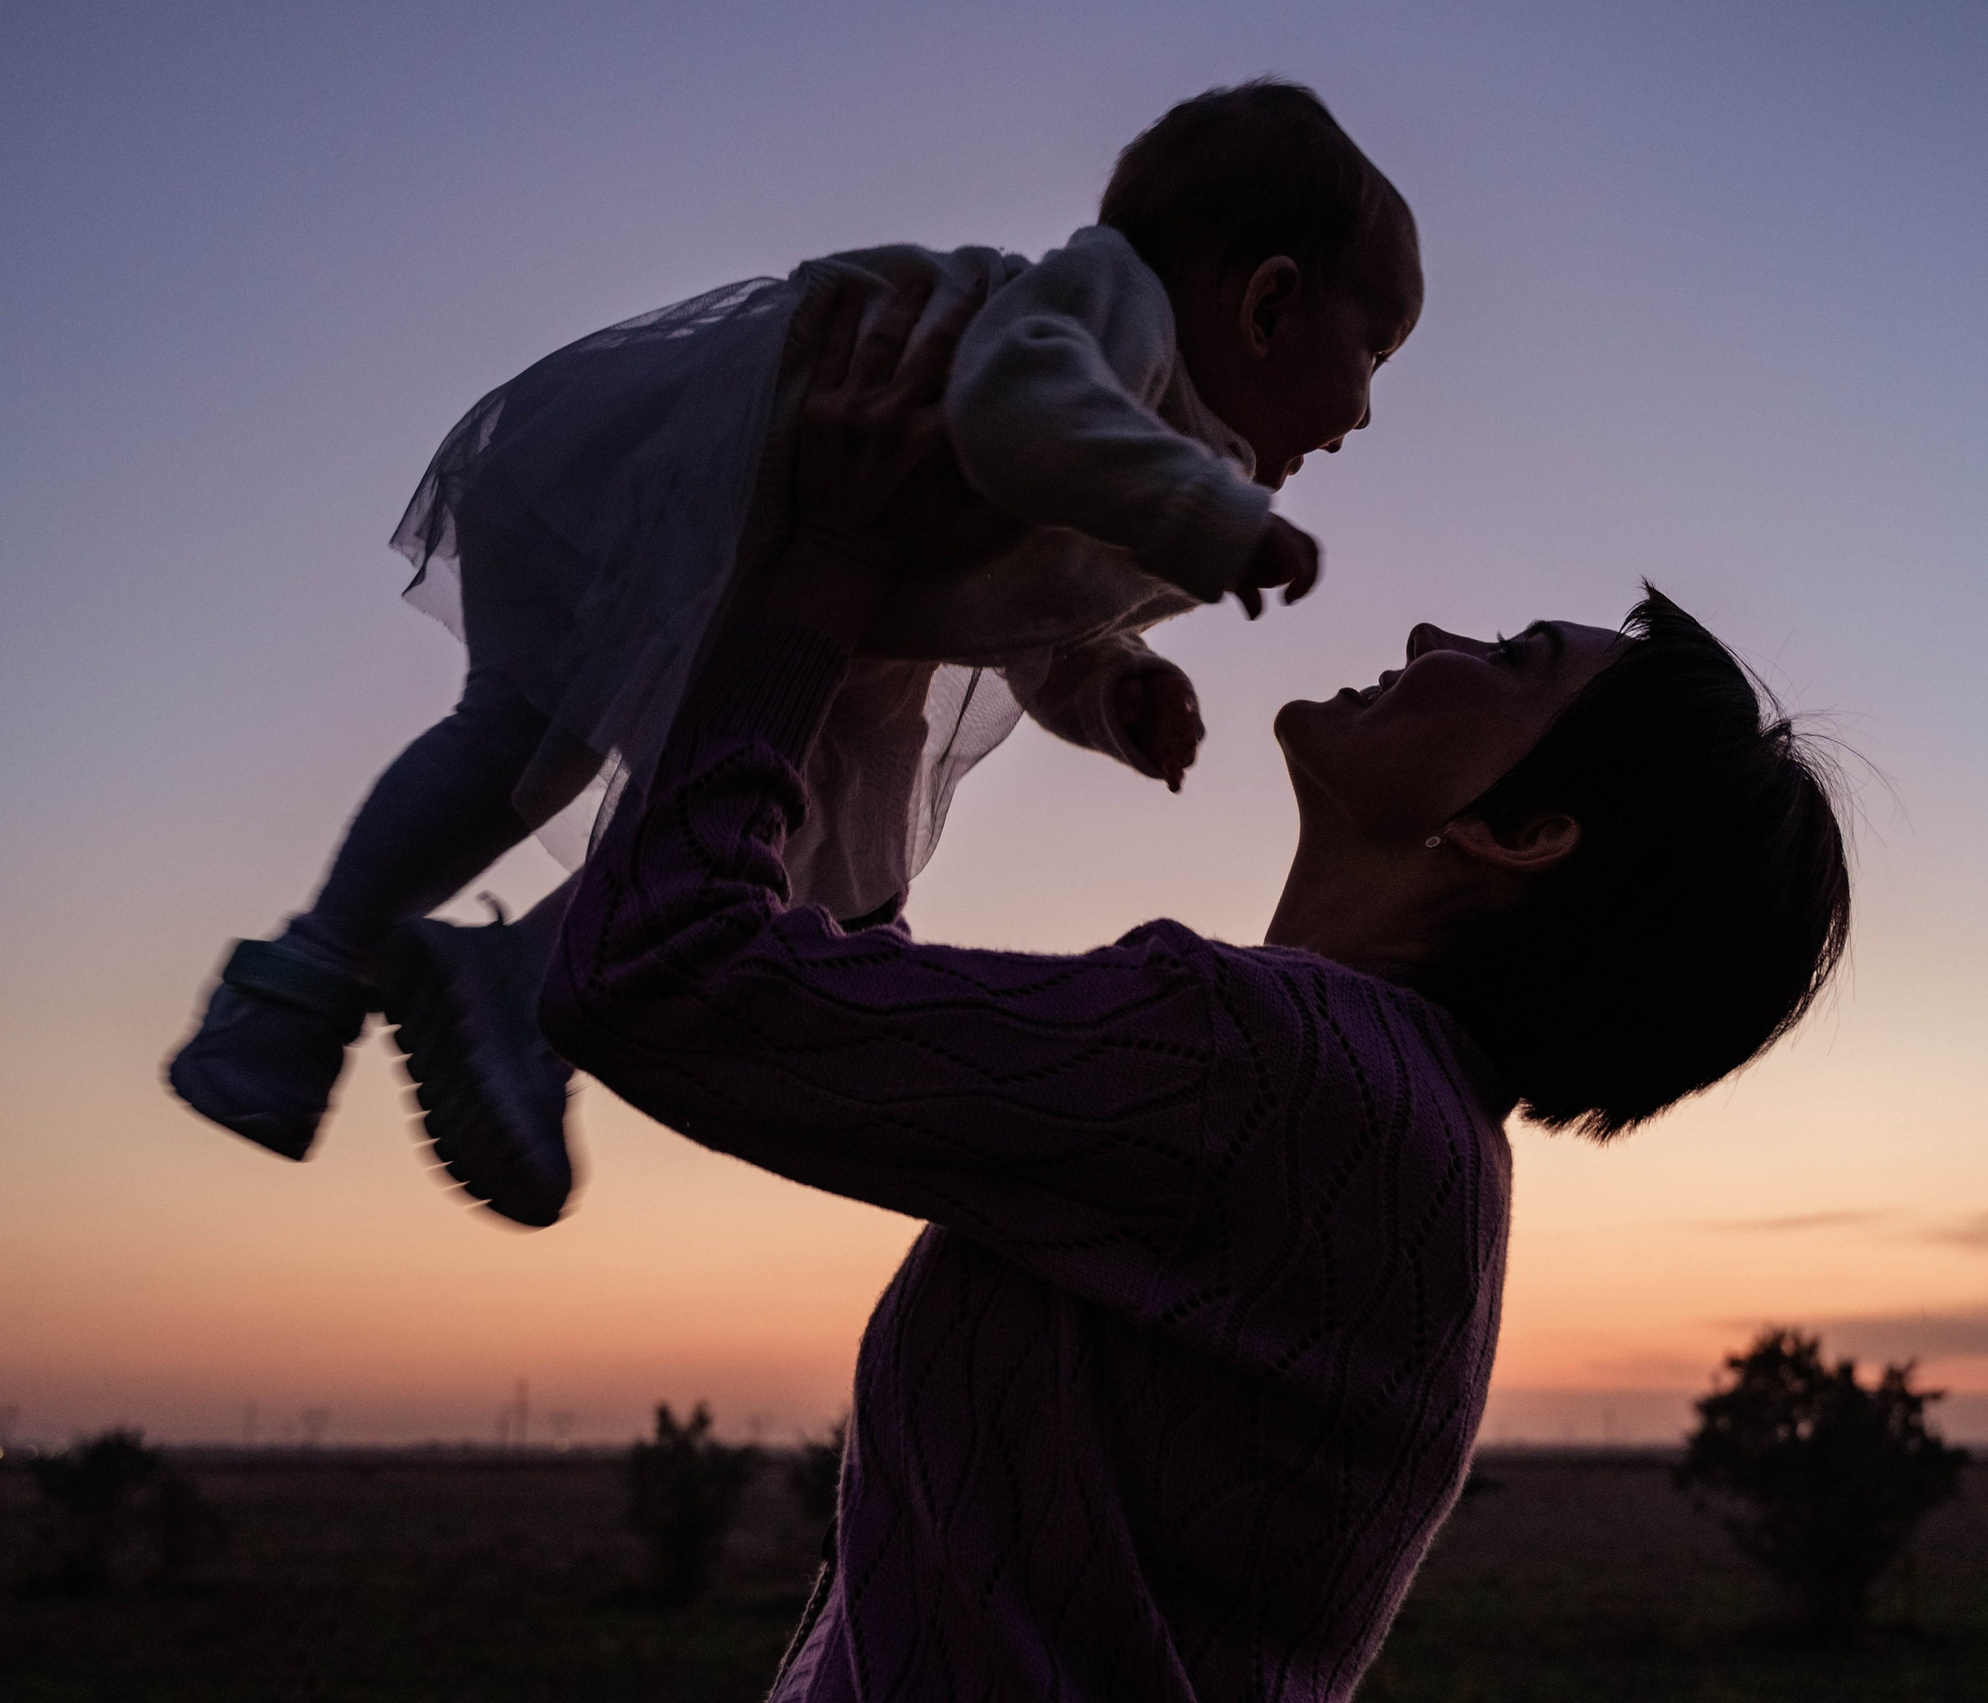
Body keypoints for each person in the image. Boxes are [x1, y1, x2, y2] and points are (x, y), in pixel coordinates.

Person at [541, 265, 1851, 1702]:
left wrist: (829, 562)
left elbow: (658, 971)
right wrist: (896, 646)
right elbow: (855, 1011)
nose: (1434, 640)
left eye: (1513, 658)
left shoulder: (1278, 1068)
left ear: (1523, 831)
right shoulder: (1382, 1123)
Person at [165, 80, 1424, 1228]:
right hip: (707, 491)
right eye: (1372, 352)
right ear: (1266, 300)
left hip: (827, 589)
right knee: (523, 739)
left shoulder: (1158, 445)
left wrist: (1111, 685)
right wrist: (1213, 523)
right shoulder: (1112, 311)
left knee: (803, 854)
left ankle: (510, 985)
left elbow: (1021, 599)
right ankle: (305, 983)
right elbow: (1012, 416)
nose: (1367, 408)